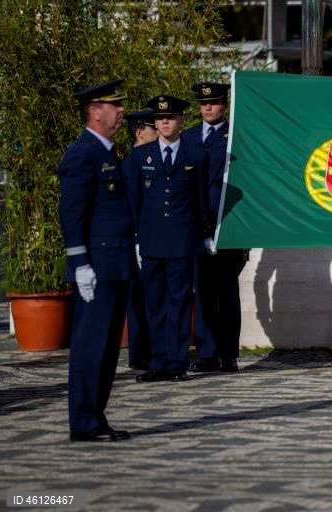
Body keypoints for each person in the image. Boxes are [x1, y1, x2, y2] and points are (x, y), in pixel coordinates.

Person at [60, 79, 134, 442]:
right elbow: (72, 214)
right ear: (95, 112)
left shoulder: (105, 151)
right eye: (114, 105)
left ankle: (95, 415)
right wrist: (81, 263)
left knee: (106, 349)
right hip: (97, 267)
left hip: (115, 262)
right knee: (92, 345)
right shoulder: (82, 154)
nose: (121, 111)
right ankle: (83, 421)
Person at [124, 95, 212, 383]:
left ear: (180, 121)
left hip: (183, 240)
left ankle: (176, 362)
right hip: (150, 241)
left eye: (170, 118)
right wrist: (136, 239)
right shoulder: (140, 156)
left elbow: (200, 200)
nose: (164, 122)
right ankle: (157, 361)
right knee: (154, 304)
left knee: (179, 302)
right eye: (160, 118)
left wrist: (206, 233)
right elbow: (134, 201)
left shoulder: (195, 155)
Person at [184, 82, 242, 373]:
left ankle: (229, 353)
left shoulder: (236, 136)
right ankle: (207, 352)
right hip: (198, 224)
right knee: (203, 290)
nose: (208, 107)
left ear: (224, 105)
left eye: (214, 102)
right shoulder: (189, 136)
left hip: (226, 223)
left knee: (228, 290)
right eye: (203, 103)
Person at [123, 109, 158, 371]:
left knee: (151, 296)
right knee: (140, 298)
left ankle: (149, 349)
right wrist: (136, 238)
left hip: (152, 237)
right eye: (152, 127)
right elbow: (133, 202)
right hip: (139, 238)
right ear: (139, 132)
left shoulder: (151, 158)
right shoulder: (134, 160)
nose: (158, 130)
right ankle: (140, 351)